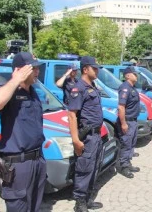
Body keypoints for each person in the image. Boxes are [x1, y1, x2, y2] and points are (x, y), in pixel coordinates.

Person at [0, 52, 46, 212]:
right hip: (19, 164)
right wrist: (16, 80)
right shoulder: (8, 91)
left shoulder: (33, 93)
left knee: (34, 206)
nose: (37, 71)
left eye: (37, 68)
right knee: (18, 207)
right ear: (19, 70)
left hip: (37, 160)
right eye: (32, 68)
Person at [68, 56, 104, 212]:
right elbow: (71, 115)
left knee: (93, 167)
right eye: (94, 68)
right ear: (85, 69)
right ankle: (79, 203)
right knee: (84, 169)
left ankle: (87, 198)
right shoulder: (79, 88)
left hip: (96, 136)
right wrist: (76, 140)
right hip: (87, 137)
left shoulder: (92, 86)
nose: (97, 71)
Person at [116, 66, 141, 178]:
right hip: (128, 121)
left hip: (133, 121)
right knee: (126, 144)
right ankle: (123, 167)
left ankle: (128, 163)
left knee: (131, 143)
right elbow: (121, 107)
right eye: (134, 74)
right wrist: (123, 123)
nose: (136, 75)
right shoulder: (125, 88)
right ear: (127, 75)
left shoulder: (132, 87)